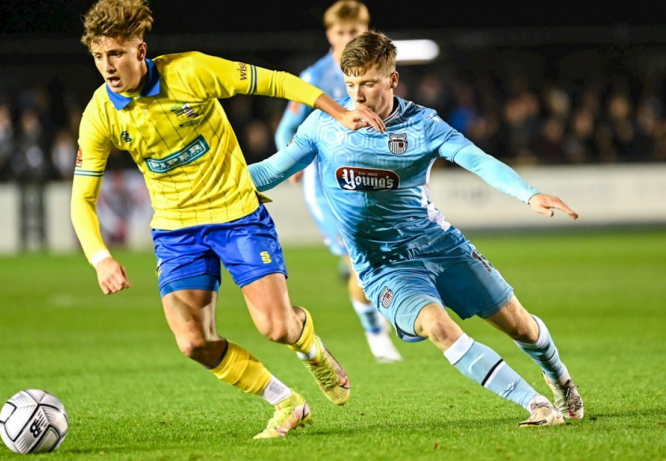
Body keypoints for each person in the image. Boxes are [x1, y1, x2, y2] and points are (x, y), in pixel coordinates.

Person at [70, 0, 386, 440]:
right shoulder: (100, 114)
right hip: (176, 231)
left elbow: (275, 82)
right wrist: (100, 257)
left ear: (140, 50)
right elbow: (81, 198)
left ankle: (312, 349)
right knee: (192, 342)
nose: (108, 66)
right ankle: (285, 402)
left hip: (237, 215)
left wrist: (338, 112)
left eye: (117, 53)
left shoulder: (192, 71)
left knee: (277, 328)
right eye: (100, 56)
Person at [249, 30, 584, 427]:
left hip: (440, 245)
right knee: (437, 327)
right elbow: (271, 170)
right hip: (384, 266)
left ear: (392, 80)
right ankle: (535, 405)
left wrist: (529, 195)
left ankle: (560, 380)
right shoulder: (324, 125)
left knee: (523, 328)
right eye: (351, 84)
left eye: (368, 83)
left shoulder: (423, 125)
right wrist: (210, 179)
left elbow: (476, 160)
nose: (357, 95)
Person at [274, 0, 402, 363]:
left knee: (381, 253)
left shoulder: (380, 71)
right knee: (360, 258)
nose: (348, 38)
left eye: (355, 32)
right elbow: (286, 128)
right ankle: (376, 334)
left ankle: (381, 305)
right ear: (330, 34)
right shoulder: (313, 78)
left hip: (373, 180)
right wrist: (292, 160)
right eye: (342, 32)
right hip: (328, 186)